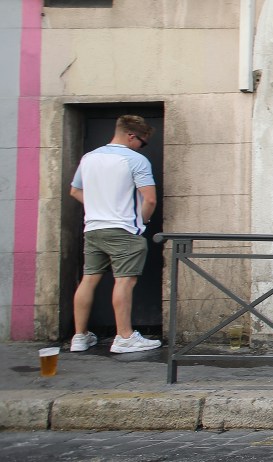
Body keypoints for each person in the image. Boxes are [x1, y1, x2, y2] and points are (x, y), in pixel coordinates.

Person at [68, 115, 162, 354]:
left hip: (93, 228)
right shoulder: (135, 160)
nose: (142, 146)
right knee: (125, 281)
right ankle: (124, 336)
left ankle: (79, 337)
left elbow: (75, 190)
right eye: (142, 142)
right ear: (131, 136)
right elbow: (149, 198)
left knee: (89, 279)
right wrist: (143, 220)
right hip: (123, 229)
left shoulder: (89, 158)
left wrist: (99, 207)